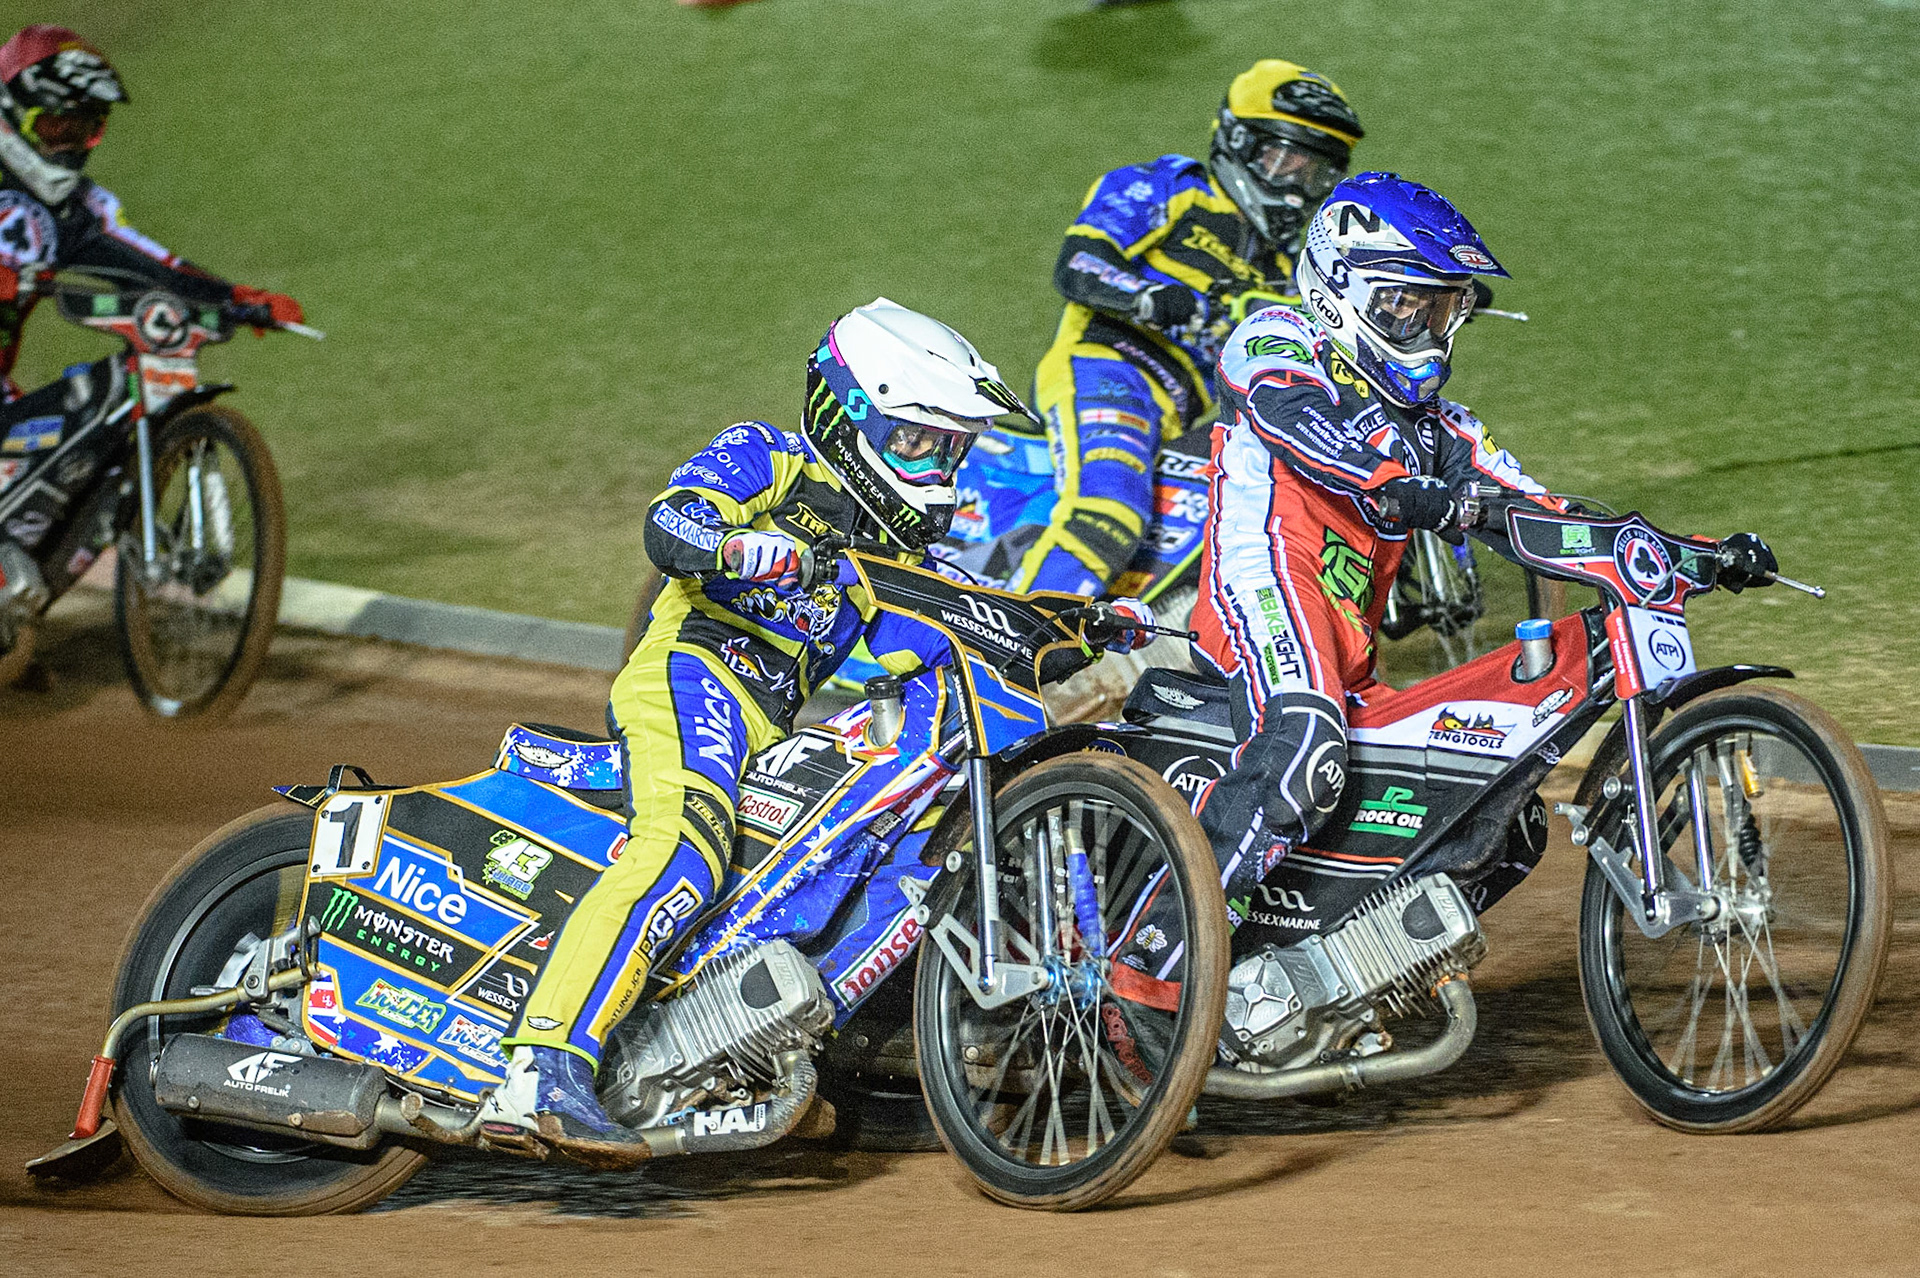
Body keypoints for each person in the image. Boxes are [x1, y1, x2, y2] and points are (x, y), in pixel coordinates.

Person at [483, 299, 1156, 1163]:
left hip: (769, 719)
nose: (938, 465)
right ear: (851, 411)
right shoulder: (769, 455)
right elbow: (673, 522)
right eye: (919, 440)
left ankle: (744, 1047)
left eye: (951, 447)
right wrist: (739, 548)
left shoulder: (887, 557)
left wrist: (1087, 625)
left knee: (875, 841)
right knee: (685, 844)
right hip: (687, 674)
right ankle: (540, 1068)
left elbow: (977, 618)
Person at [1119, 173, 1779, 967]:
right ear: (1339, 289)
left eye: (1442, 311)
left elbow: (1537, 511)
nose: (1428, 330)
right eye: (1406, 305)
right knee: (1305, 746)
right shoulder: (1275, 338)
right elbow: (1302, 427)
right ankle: (1147, 960)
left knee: (1494, 815)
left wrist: (1676, 551)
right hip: (1260, 589)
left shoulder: (1444, 430)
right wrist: (1399, 488)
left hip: (1344, 639)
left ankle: (1345, 966)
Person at [1007, 59, 1363, 598]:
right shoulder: (1169, 189)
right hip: (1105, 370)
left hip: (1191, 418)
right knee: (1109, 514)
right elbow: (1078, 265)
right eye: (1286, 159)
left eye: (1317, 172)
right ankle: (997, 661)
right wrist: (1148, 297)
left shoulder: (1295, 265)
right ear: (1240, 141)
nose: (1298, 187)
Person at [0, 25, 301, 516]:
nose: (70, 148)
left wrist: (237, 298)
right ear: (14, 113)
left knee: (74, 443)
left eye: (85, 130)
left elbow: (150, 265)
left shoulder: (77, 211)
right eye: (58, 128)